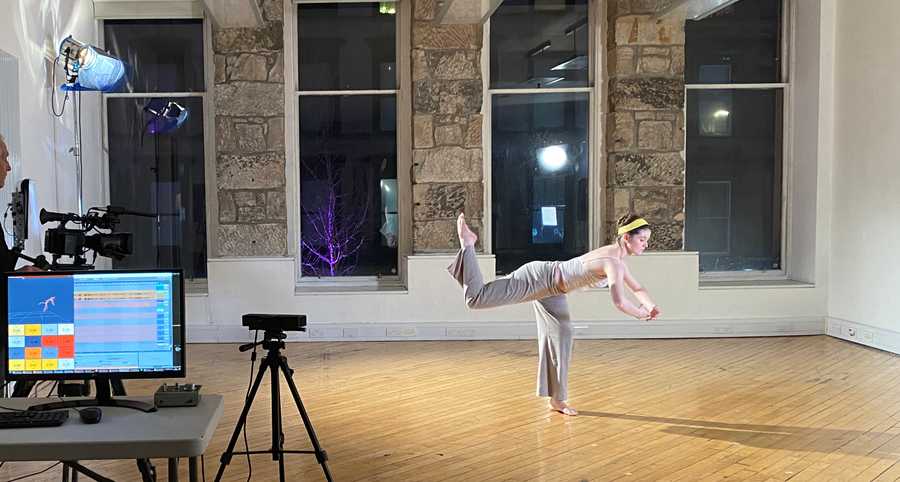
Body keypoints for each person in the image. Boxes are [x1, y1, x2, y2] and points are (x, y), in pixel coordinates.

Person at [448, 212, 661, 416]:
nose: (645, 244)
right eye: (642, 239)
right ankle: (468, 244)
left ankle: (557, 400)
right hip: (539, 278)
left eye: (646, 240)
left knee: (563, 334)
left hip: (554, 290)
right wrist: (640, 314)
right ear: (626, 238)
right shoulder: (612, 262)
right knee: (476, 299)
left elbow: (637, 288)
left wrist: (651, 307)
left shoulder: (618, 262)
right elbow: (620, 301)